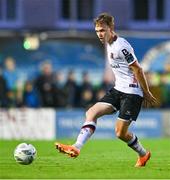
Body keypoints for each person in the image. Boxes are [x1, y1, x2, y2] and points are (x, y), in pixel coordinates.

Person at [55, 13, 157, 167]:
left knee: (120, 133)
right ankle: (76, 147)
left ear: (111, 28)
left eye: (102, 30)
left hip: (132, 93)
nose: (99, 34)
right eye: (97, 31)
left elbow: (138, 69)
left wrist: (146, 92)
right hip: (118, 89)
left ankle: (143, 154)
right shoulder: (108, 44)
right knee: (91, 113)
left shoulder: (122, 46)